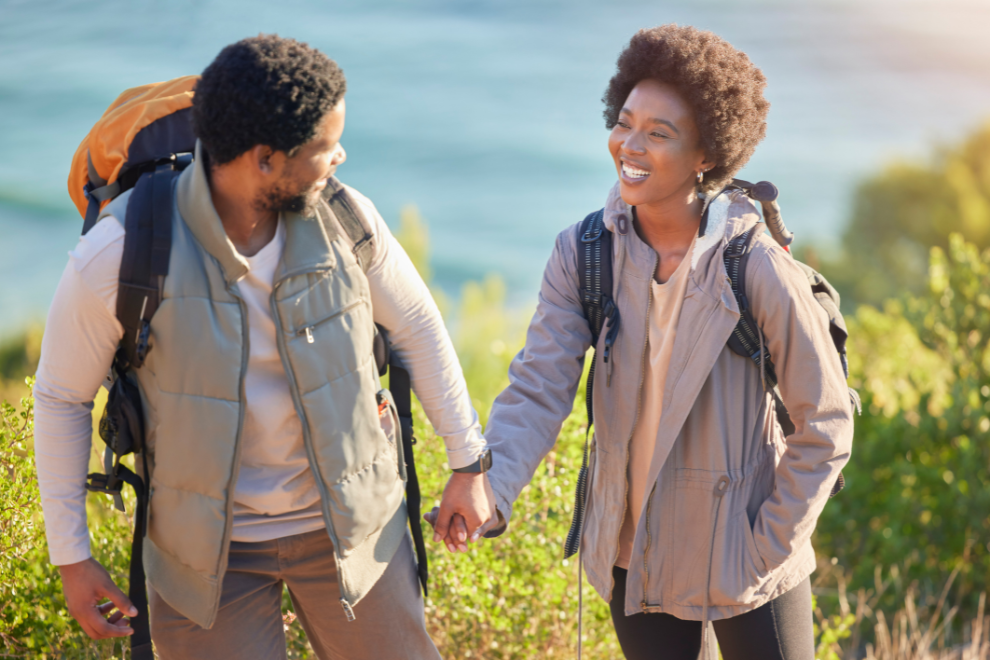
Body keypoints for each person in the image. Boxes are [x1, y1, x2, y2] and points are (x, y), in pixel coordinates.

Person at [34, 34, 496, 659]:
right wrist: (72, 556)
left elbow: (416, 324)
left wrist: (468, 464)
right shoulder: (120, 251)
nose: (340, 159)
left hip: (355, 530)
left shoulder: (348, 219)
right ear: (265, 160)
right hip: (203, 560)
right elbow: (61, 395)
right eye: (325, 148)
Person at [431, 24, 853, 660]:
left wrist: (768, 544)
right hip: (636, 554)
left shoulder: (757, 268)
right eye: (625, 123)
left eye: (659, 134)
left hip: (748, 557)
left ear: (705, 154)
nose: (630, 145)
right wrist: (493, 482)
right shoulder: (584, 253)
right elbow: (539, 387)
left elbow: (826, 423)